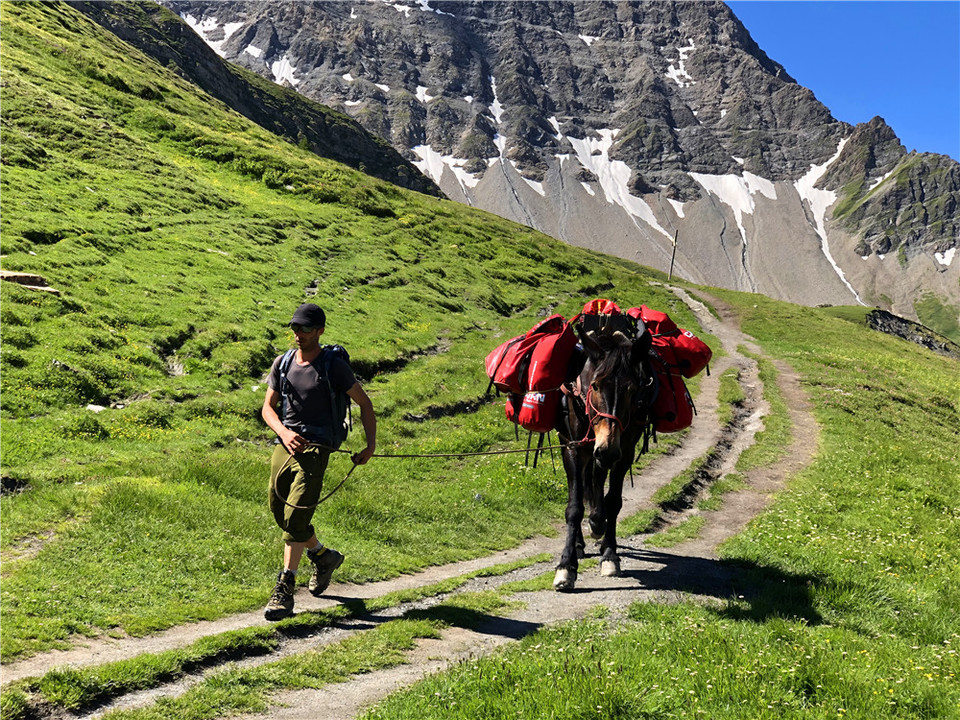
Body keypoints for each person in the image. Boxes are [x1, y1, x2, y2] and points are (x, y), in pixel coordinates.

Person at [260, 302, 377, 620]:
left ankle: (284, 589)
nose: (299, 334)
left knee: (296, 515)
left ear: (320, 330)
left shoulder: (332, 365)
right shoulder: (282, 363)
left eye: (306, 328)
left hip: (317, 448)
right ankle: (323, 556)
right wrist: (284, 433)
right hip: (286, 445)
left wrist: (370, 445)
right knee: (280, 513)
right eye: (295, 328)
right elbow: (267, 409)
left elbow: (365, 404)